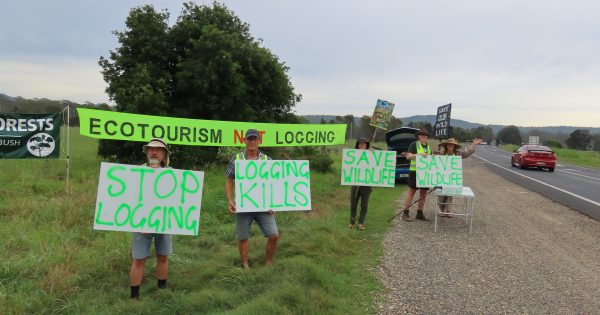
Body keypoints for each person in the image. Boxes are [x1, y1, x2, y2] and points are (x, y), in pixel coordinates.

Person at [225, 129, 280, 270]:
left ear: (259, 141)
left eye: (255, 139)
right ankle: (245, 264)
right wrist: (230, 200)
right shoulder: (236, 159)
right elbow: (229, 180)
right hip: (244, 206)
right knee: (243, 236)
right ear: (244, 141)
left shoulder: (268, 160)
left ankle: (268, 263)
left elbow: (275, 183)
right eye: (249, 139)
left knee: (274, 235)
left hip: (264, 207)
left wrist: (274, 203)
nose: (252, 142)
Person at [130, 138, 172, 299]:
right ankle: (134, 297)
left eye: (158, 149)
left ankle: (162, 290)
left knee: (163, 256)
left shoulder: (172, 173)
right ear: (147, 152)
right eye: (151, 149)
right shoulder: (136, 172)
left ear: (164, 154)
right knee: (138, 259)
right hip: (141, 223)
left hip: (164, 223)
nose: (154, 152)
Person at [437, 138, 482, 217]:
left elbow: (467, 153)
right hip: (442, 177)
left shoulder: (458, 154)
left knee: (450, 194)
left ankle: (449, 210)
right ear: (446, 145)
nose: (450, 146)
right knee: (441, 195)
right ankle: (442, 209)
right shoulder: (441, 153)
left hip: (453, 178)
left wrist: (474, 144)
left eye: (452, 144)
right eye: (449, 144)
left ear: (454, 146)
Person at [401, 129, 432, 222]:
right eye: (421, 135)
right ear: (418, 136)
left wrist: (432, 156)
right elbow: (408, 156)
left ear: (427, 137)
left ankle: (419, 213)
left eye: (425, 135)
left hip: (425, 173)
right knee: (411, 193)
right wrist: (419, 155)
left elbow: (428, 159)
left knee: (423, 194)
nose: (423, 137)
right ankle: (405, 213)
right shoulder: (414, 144)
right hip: (415, 172)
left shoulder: (428, 146)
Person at [348, 138, 373, 230]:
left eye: (364, 144)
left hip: (366, 184)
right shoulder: (352, 154)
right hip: (355, 183)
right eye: (360, 144)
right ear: (357, 145)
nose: (362, 145)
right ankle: (351, 221)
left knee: (364, 205)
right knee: (353, 204)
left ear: (367, 145)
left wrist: (373, 154)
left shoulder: (371, 154)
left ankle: (361, 223)